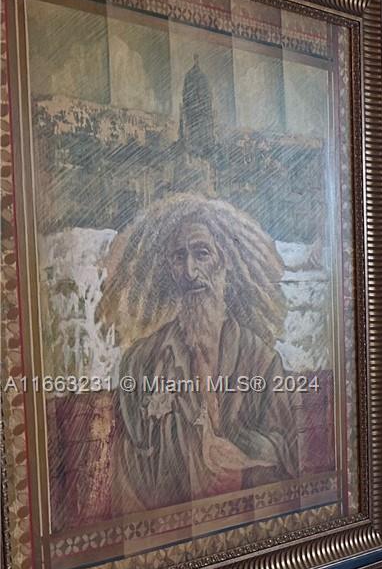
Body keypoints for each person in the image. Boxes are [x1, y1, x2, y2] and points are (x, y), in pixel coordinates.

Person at [101, 193, 298, 512]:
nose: (190, 271)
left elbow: (287, 454)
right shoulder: (140, 363)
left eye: (201, 253)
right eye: (179, 257)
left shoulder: (262, 361)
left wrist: (244, 460)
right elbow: (127, 467)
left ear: (226, 262)